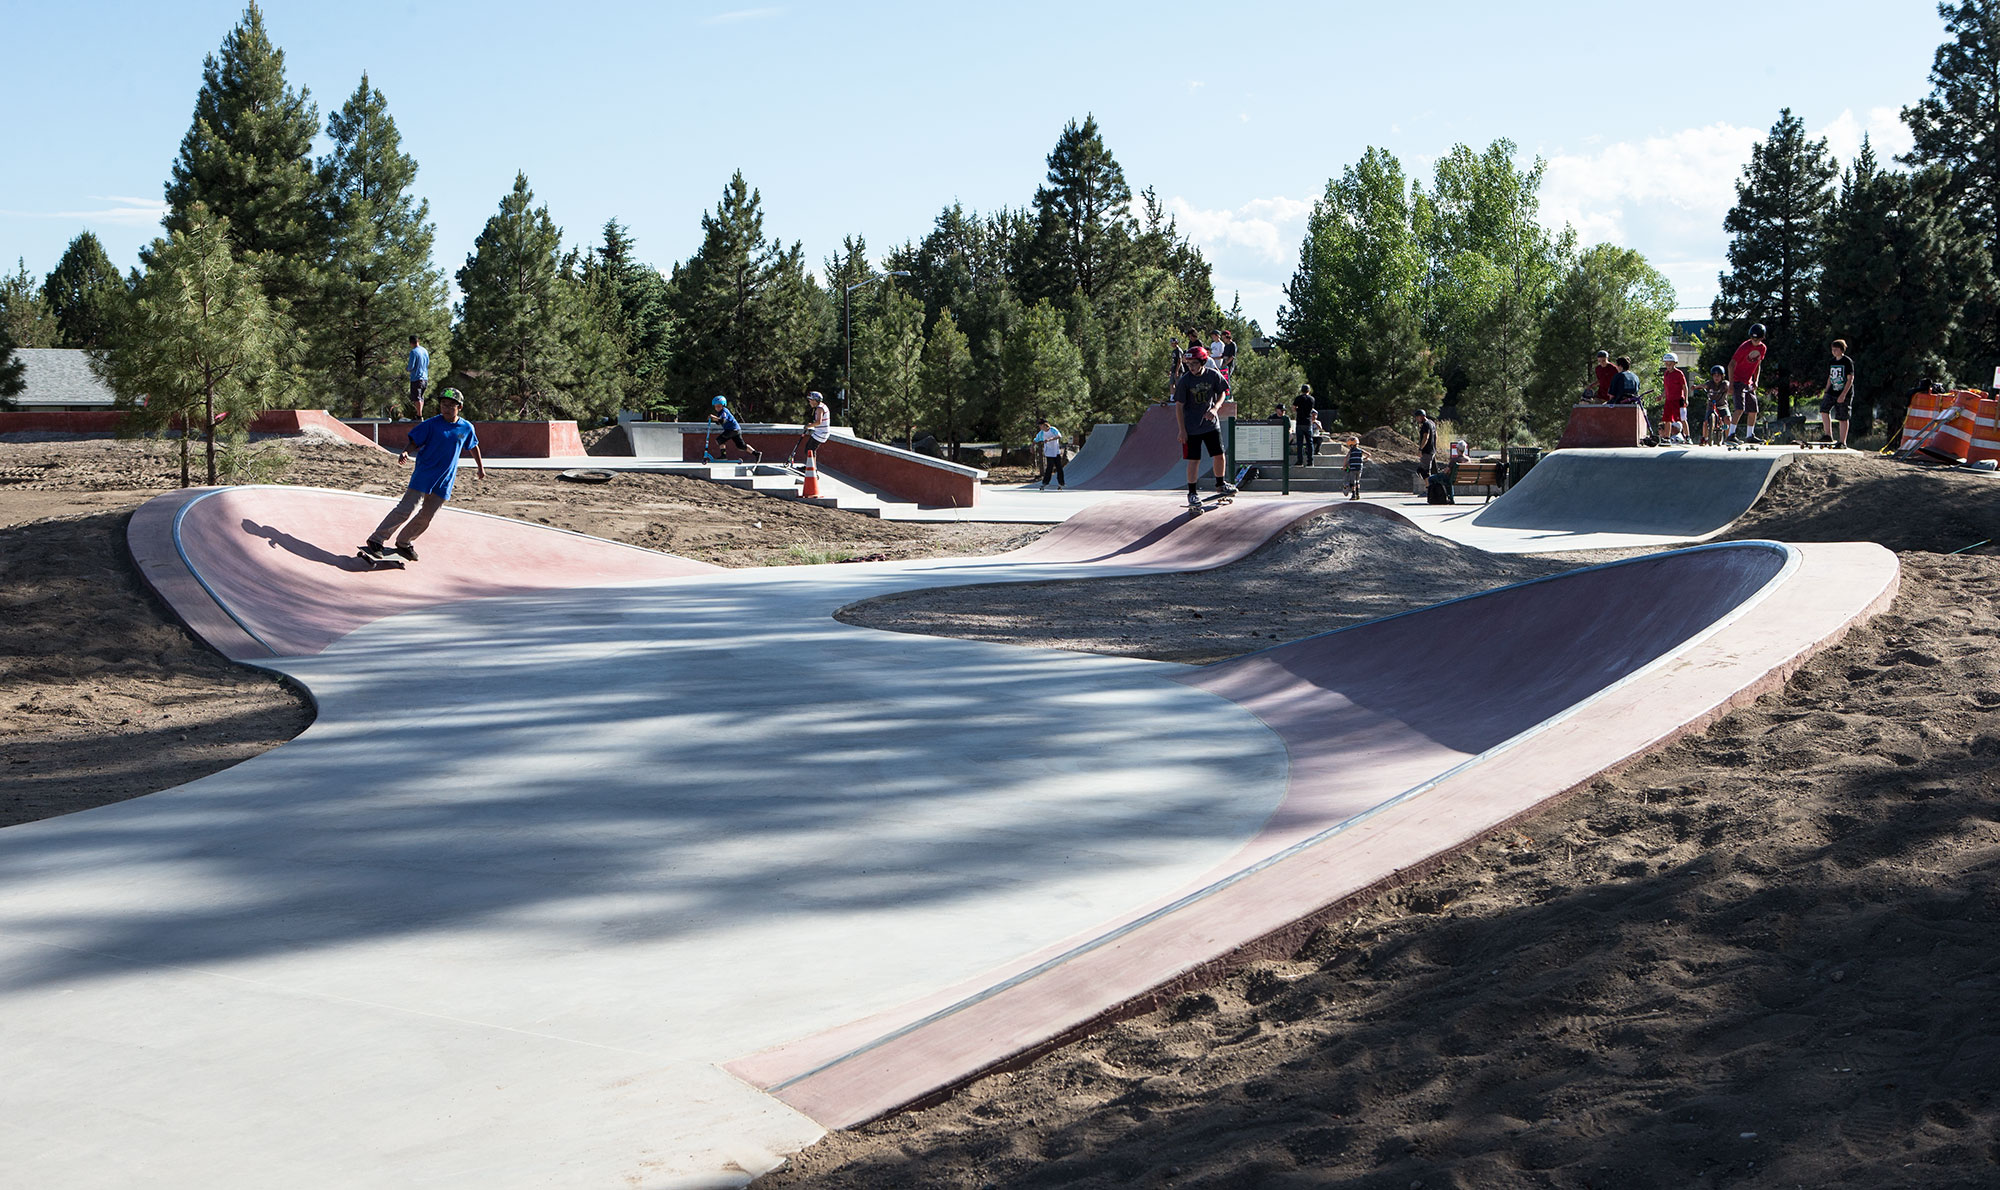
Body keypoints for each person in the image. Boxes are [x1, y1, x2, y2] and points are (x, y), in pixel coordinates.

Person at [365, 388, 485, 561]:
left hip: (445, 479)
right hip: (424, 474)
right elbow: (415, 441)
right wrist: (406, 452)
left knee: (427, 516)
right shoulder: (431, 424)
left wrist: (480, 467)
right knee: (406, 509)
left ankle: (404, 542)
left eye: (451, 405)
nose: (446, 408)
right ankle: (377, 539)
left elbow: (473, 446)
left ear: (459, 407)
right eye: (443, 404)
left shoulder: (466, 428)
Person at [1172, 345, 1235, 507]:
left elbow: (1222, 392)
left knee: (1219, 455)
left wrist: (1215, 408)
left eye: (1194, 363)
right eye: (1188, 364)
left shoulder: (1213, 375)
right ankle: (1192, 493)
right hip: (1191, 427)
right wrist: (1182, 430)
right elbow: (1179, 406)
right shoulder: (1185, 381)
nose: (1191, 367)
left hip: (1211, 424)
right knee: (1194, 460)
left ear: (1203, 362)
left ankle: (1220, 484)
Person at [1729, 323, 1769, 443]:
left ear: (1762, 338)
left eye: (1757, 339)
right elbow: (1731, 365)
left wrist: (1756, 380)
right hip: (1737, 380)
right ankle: (1731, 435)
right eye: (1752, 339)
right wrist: (1731, 384)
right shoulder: (1744, 347)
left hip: (1748, 382)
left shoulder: (1762, 348)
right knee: (1739, 409)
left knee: (1753, 410)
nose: (1754, 341)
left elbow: (1757, 365)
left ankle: (1749, 436)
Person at [1821, 339, 1856, 447]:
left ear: (1841, 350)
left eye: (1836, 349)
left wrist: (1843, 394)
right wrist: (1826, 391)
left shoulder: (1847, 361)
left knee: (1842, 417)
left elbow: (1850, 379)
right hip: (1832, 391)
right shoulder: (1832, 361)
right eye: (1832, 350)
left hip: (1843, 392)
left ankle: (1842, 441)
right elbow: (1830, 377)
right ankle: (1828, 435)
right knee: (1824, 410)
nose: (1834, 352)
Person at [708, 395, 759, 463]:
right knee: (741, 446)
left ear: (723, 405)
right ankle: (756, 453)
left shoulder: (724, 411)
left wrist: (714, 418)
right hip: (736, 430)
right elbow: (719, 422)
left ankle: (723, 456)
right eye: (716, 406)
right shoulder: (720, 413)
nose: (717, 408)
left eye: (719, 406)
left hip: (732, 429)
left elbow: (723, 420)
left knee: (720, 439)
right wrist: (714, 419)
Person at [794, 390, 832, 462]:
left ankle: (812, 467)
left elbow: (819, 422)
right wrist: (811, 425)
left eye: (810, 400)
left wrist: (809, 426)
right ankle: (810, 465)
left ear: (815, 400)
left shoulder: (819, 408)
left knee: (810, 449)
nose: (809, 402)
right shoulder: (822, 406)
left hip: (821, 433)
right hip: (820, 432)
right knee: (810, 448)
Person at [1661, 352, 1689, 443]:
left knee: (1682, 419)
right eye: (1666, 364)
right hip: (1669, 400)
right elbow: (1666, 388)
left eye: (1670, 364)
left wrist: (1686, 399)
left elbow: (1685, 387)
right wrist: (1662, 396)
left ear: (1674, 363)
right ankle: (1667, 437)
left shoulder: (1679, 373)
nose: (1668, 366)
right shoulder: (1666, 374)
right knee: (1667, 419)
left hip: (1678, 400)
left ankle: (1687, 437)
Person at [1033, 416, 1066, 489]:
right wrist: (1032, 446)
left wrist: (1050, 439)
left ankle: (1061, 482)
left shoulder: (1052, 429)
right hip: (1049, 452)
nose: (1040, 427)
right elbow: (1036, 439)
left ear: (1044, 425)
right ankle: (1045, 482)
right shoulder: (1041, 433)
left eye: (1040, 425)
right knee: (1049, 468)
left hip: (1056, 452)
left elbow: (1059, 436)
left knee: (1059, 468)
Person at [1702, 365, 1730, 446]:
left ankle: (1728, 438)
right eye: (1714, 375)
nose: (1716, 377)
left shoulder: (1724, 384)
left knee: (1727, 419)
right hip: (1711, 406)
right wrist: (1696, 387)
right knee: (1705, 422)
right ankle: (1704, 438)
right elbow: (1704, 386)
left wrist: (1731, 389)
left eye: (1718, 375)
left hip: (1722, 405)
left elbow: (1729, 386)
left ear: (1722, 376)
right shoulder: (1710, 383)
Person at [405, 334, 429, 420]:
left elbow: (411, 366)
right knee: (421, 397)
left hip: (416, 378)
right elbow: (427, 363)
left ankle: (419, 415)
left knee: (417, 397)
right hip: (425, 377)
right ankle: (419, 414)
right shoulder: (425, 351)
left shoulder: (413, 352)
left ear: (410, 343)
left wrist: (407, 369)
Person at [1292, 384, 1318, 464]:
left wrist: (1298, 410)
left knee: (1299, 443)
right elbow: (1311, 409)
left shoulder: (1298, 398)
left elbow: (1293, 408)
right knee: (1309, 442)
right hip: (1308, 422)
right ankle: (1310, 461)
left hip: (1300, 422)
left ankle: (1300, 460)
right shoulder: (1312, 399)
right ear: (1309, 390)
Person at [1341, 435, 1370, 500]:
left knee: (1352, 482)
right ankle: (1358, 494)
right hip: (1359, 468)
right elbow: (1369, 454)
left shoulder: (1351, 451)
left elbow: (1346, 458)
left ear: (1351, 445)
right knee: (1357, 481)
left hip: (1353, 468)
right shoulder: (1360, 450)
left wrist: (1344, 466)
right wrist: (1364, 459)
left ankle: (1353, 495)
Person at [1414, 408, 1438, 476]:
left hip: (1427, 452)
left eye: (1417, 417)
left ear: (1422, 416)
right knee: (1433, 471)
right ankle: (1431, 482)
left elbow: (1425, 437)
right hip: (1432, 451)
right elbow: (1436, 436)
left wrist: (1420, 449)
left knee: (1424, 472)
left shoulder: (1425, 424)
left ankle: (1428, 483)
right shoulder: (1432, 423)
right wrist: (1434, 446)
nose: (1416, 419)